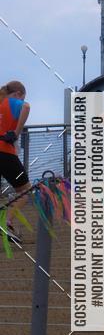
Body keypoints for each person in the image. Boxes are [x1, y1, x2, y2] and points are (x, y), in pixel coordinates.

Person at [0, 80, 32, 242]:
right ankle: (6, 222)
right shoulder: (12, 101)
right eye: (22, 97)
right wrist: (16, 133)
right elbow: (26, 107)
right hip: (5, 153)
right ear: (18, 94)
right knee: (25, 191)